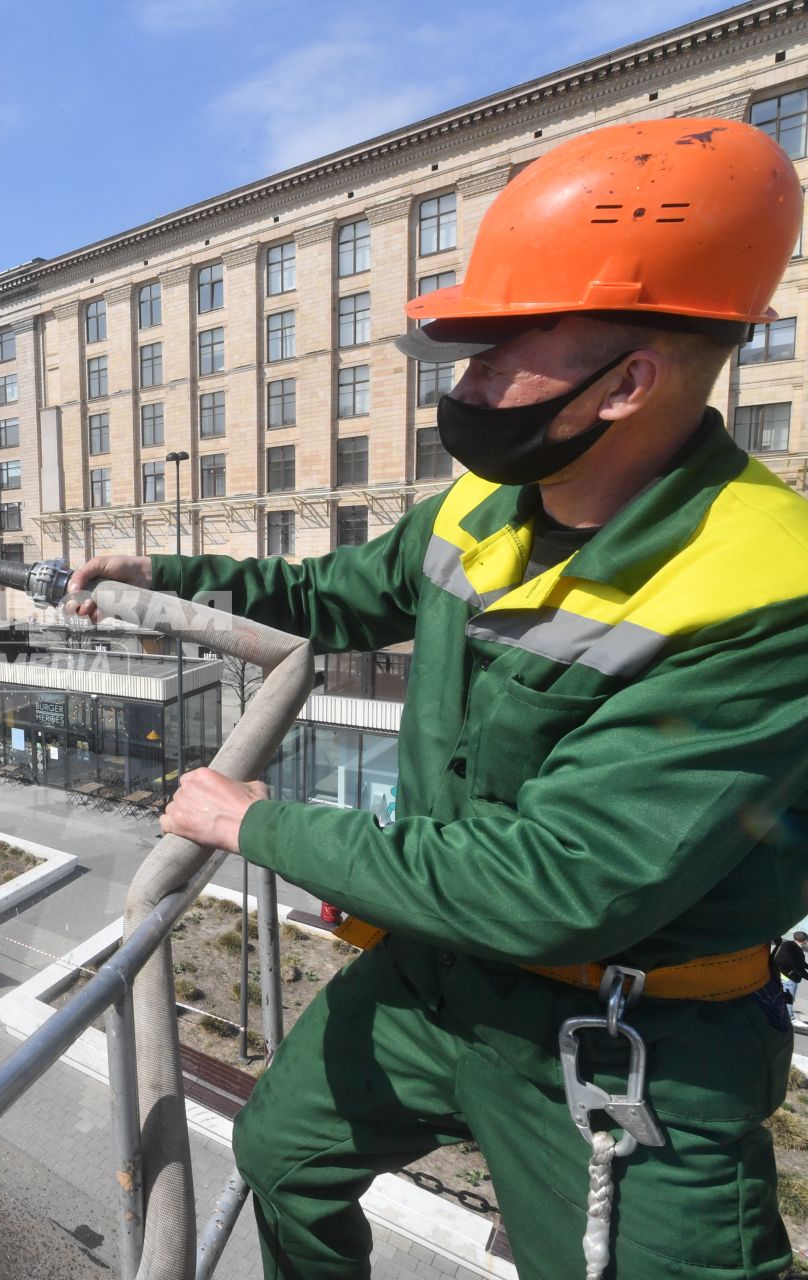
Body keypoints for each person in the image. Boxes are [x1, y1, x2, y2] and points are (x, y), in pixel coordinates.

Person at [68, 118, 808, 1276]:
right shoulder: (487, 511)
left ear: (629, 382)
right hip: (442, 976)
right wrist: (160, 575)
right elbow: (332, 593)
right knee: (284, 1150)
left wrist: (250, 819)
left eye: (500, 350)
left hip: (627, 1037)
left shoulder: (763, 589)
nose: (465, 388)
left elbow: (557, 880)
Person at [775, 931, 807, 1001]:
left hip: (779, 973)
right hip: (789, 978)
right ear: (805, 941)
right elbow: (799, 969)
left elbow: (799, 962)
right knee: (789, 1001)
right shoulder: (796, 951)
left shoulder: (787, 944)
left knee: (779, 998)